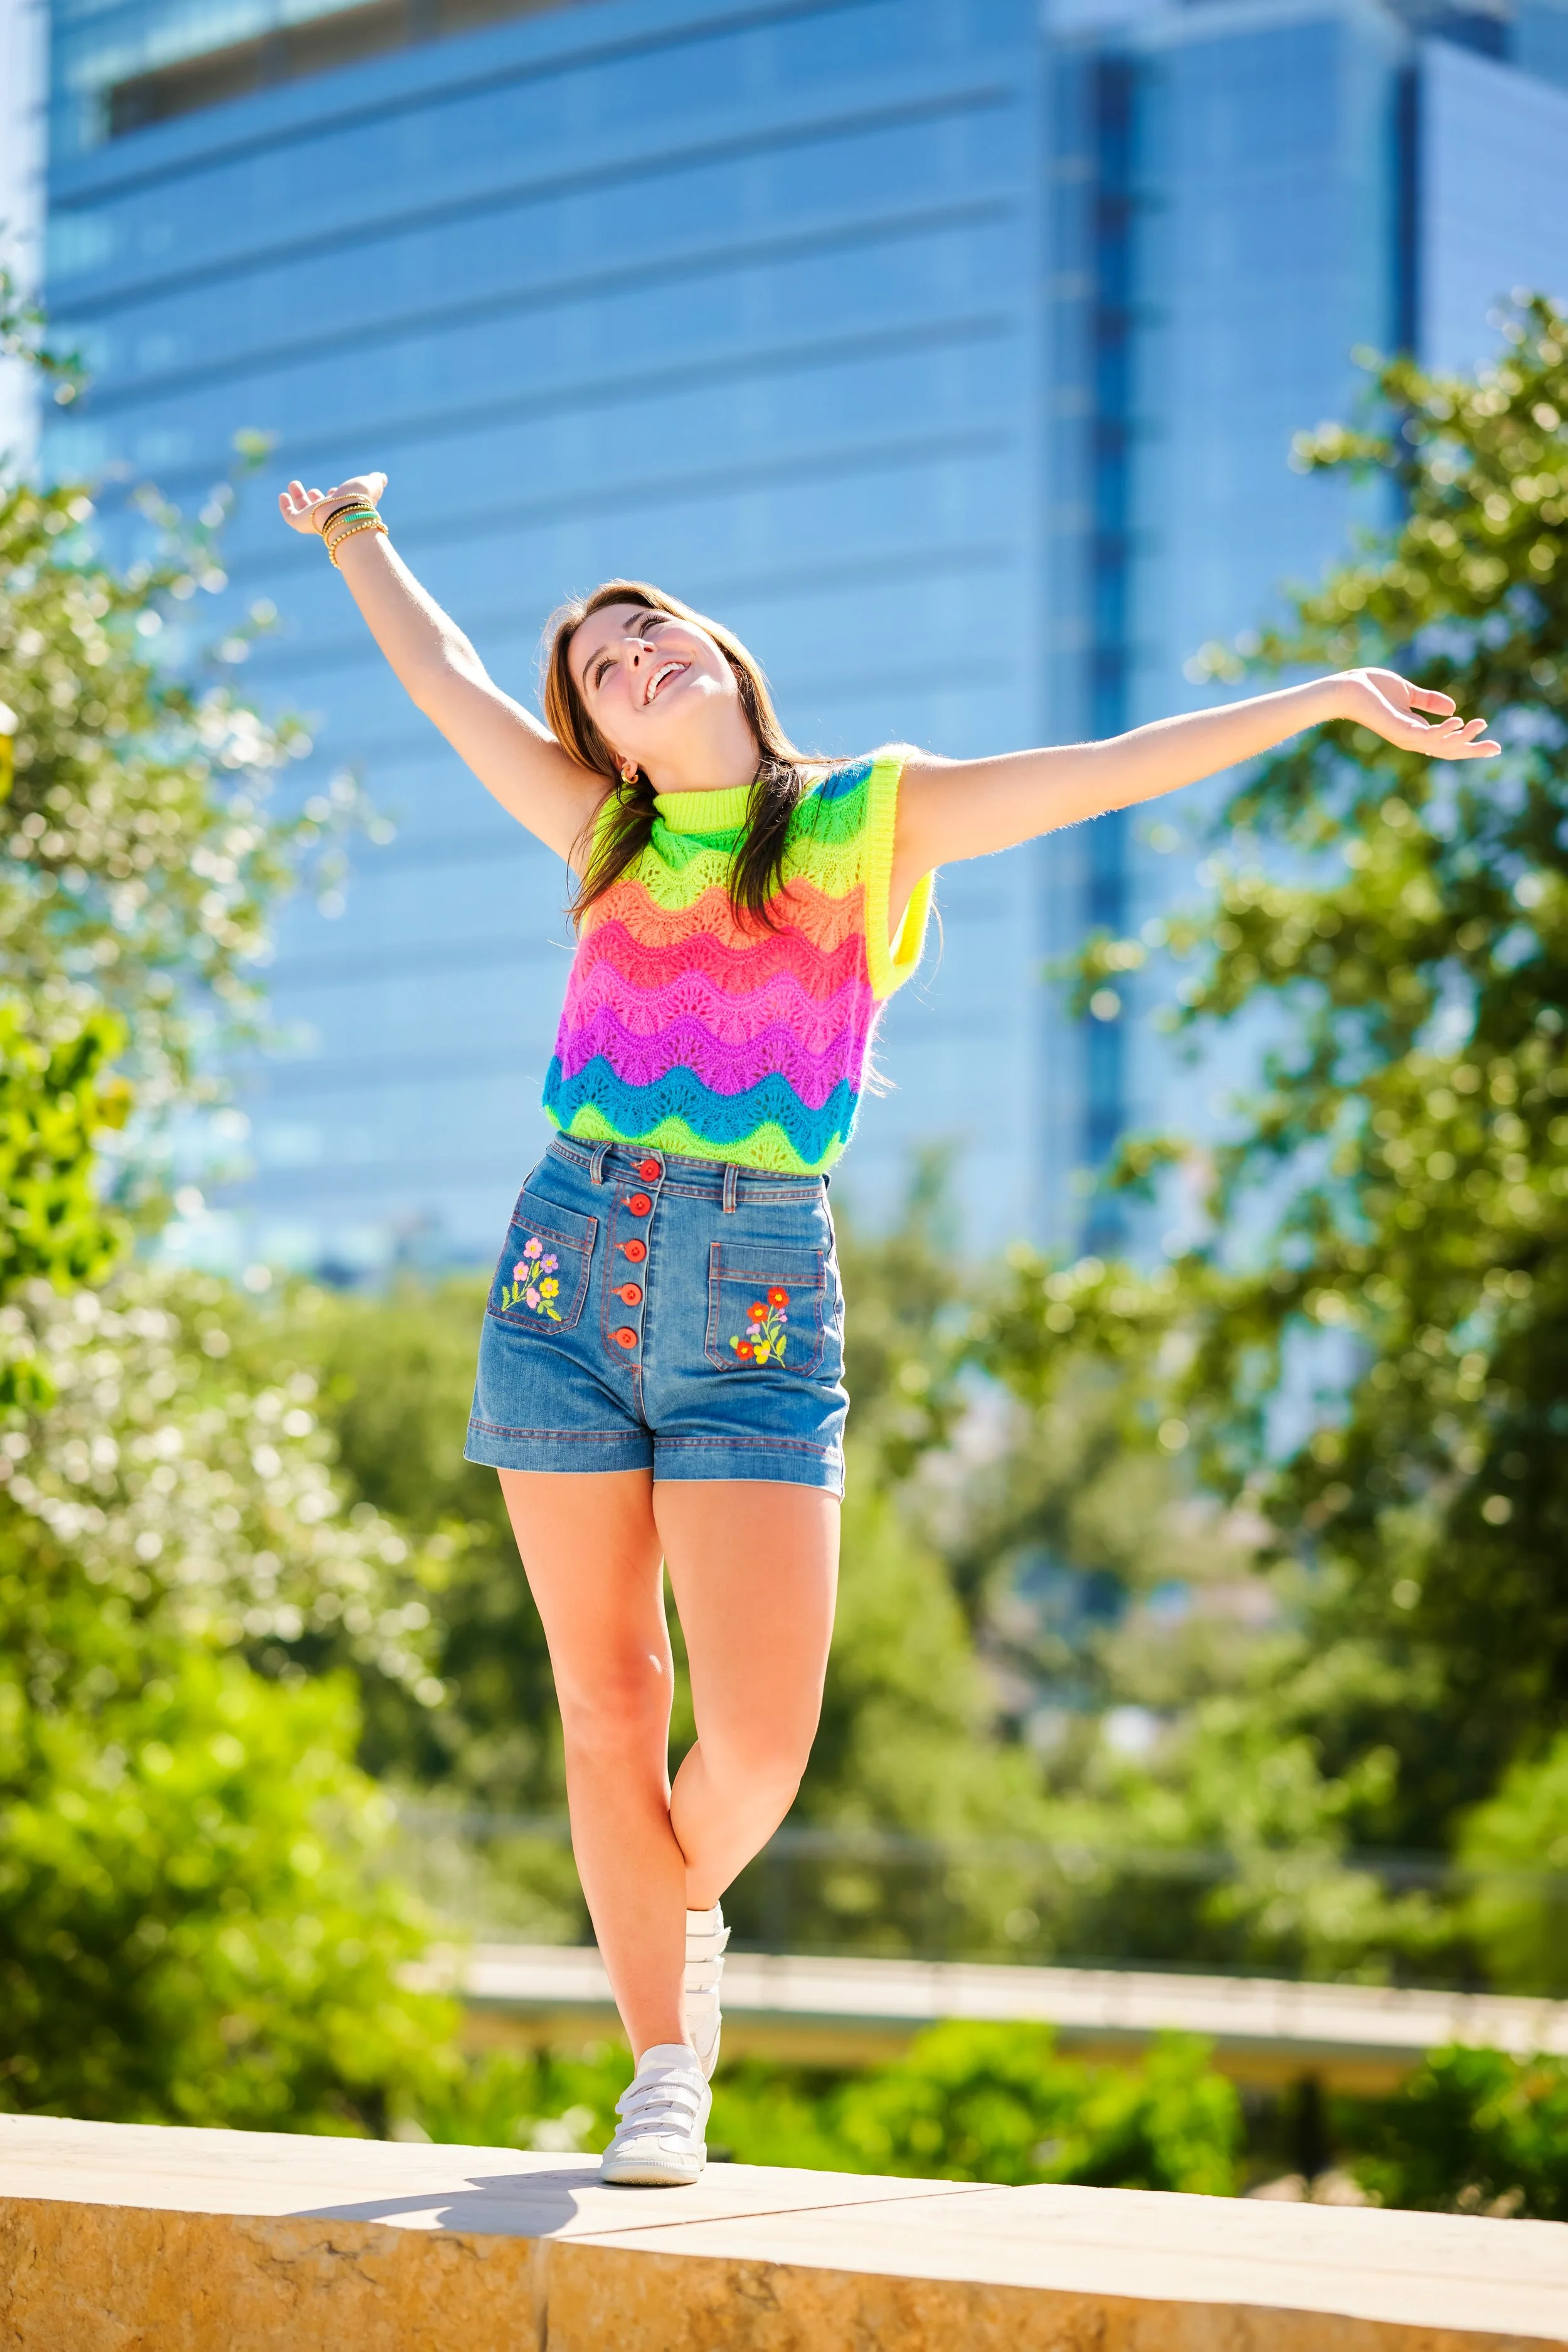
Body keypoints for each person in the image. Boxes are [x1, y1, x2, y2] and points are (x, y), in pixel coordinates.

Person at [278, 471, 1498, 2184]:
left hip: (761, 1290)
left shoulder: (869, 818)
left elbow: (1100, 773)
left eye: (650, 627)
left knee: (759, 1745)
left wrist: (1316, 697)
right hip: (561, 1266)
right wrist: (355, 536)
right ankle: (660, 2072)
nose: (628, 653)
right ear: (607, 747)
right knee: (609, 1702)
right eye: (601, 667)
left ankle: (665, 1913)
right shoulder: (604, 841)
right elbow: (444, 679)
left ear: (723, 654)